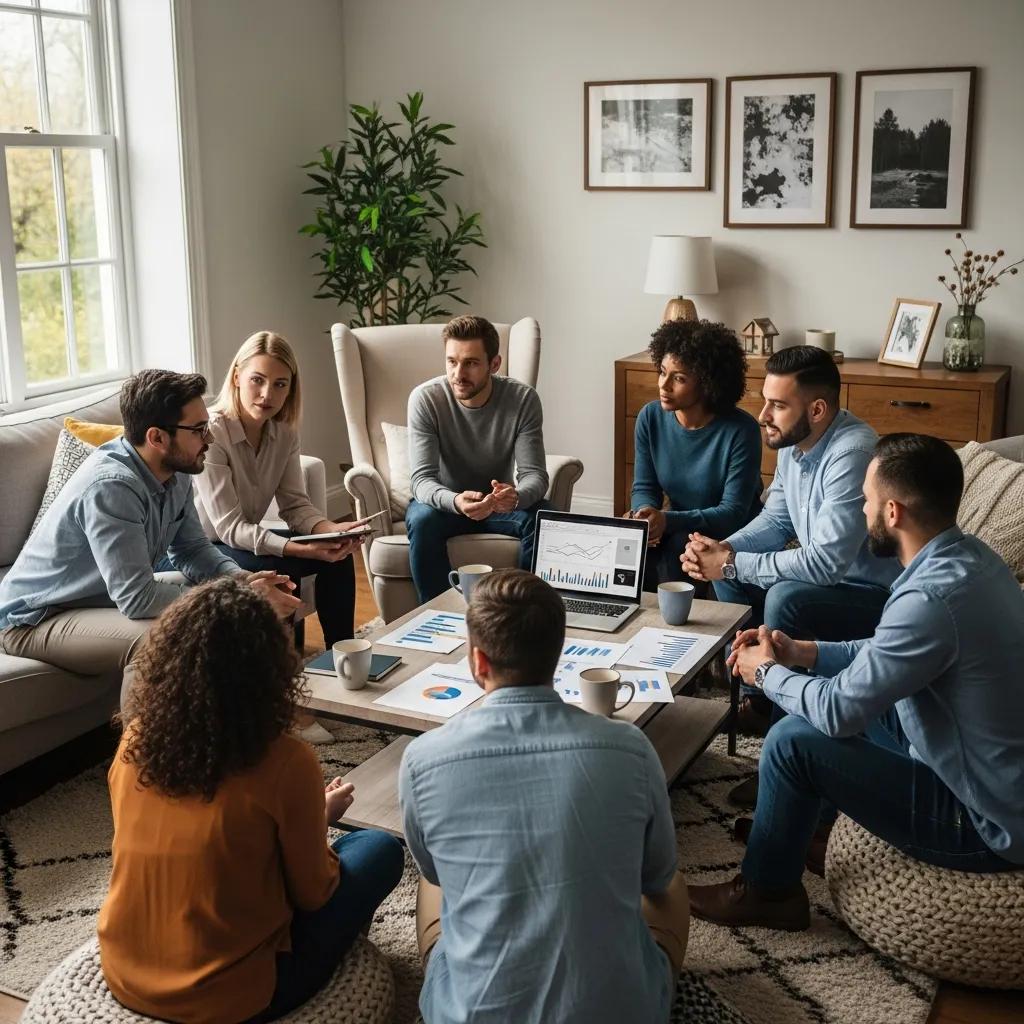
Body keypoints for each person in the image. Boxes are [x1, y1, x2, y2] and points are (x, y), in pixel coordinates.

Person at [689, 434, 1024, 932]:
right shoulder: (970, 559)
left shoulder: (928, 598)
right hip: (988, 772)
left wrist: (766, 673)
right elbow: (885, 653)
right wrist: (803, 652)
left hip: (982, 820)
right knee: (854, 699)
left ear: (892, 512)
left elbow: (838, 712)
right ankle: (806, 831)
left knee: (792, 740)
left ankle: (767, 893)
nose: (860, 509)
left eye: (865, 499)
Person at [97, 577, 404, 1022]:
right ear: (270, 667)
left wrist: (307, 818)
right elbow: (315, 893)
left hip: (124, 973)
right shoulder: (285, 759)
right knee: (378, 849)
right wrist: (316, 820)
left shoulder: (136, 740)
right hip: (232, 996)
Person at [399, 569, 689, 1024]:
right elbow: (655, 876)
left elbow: (436, 872)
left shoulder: (421, 758)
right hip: (618, 1013)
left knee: (433, 884)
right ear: (559, 652)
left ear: (478, 661)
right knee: (671, 882)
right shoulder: (631, 747)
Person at [682, 346, 899, 802]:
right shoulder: (794, 443)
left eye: (777, 405)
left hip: (873, 598)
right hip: (832, 585)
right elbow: (777, 521)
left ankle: (782, 760)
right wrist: (722, 551)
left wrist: (731, 561)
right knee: (729, 572)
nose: (763, 415)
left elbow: (825, 563)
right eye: (765, 401)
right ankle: (763, 703)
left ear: (817, 410)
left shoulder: (851, 453)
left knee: (784, 596)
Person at [0, 370, 300, 678]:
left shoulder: (177, 470)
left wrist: (242, 580)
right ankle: (158, 716)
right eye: (199, 430)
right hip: (34, 618)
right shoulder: (112, 487)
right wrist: (233, 597)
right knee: (162, 641)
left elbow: (192, 550)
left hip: (98, 597)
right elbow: (137, 599)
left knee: (225, 604)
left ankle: (248, 709)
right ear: (157, 438)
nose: (209, 439)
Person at [195, 331, 365, 649]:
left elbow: (295, 505)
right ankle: (284, 666)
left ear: (290, 388)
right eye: (257, 380)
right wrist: (299, 549)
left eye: (279, 384)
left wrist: (331, 531)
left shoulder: (284, 433)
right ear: (237, 377)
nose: (267, 394)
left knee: (338, 558)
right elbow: (228, 528)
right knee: (280, 568)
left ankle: (344, 655)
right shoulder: (212, 433)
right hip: (205, 546)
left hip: (242, 539)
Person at [405, 315, 549, 603]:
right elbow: (421, 480)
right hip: (445, 505)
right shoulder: (425, 399)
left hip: (499, 506)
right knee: (421, 519)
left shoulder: (523, 400)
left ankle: (525, 612)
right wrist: (456, 501)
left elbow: (536, 475)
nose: (458, 374)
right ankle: (437, 615)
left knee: (545, 518)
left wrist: (516, 497)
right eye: (452, 361)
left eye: (470, 363)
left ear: (494, 364)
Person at [627, 319, 762, 594]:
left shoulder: (741, 430)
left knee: (680, 549)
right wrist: (644, 515)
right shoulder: (650, 418)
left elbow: (733, 512)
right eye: (662, 372)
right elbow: (644, 487)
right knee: (637, 547)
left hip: (732, 531)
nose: (664, 385)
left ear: (707, 383)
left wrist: (667, 520)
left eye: (679, 378)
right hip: (679, 523)